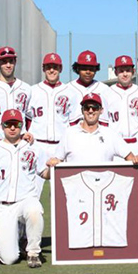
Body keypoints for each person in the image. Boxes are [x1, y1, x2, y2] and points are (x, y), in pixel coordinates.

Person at [0, 109, 50, 268]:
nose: (12, 128)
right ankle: (12, 245)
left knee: (35, 209)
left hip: (25, 200)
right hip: (2, 206)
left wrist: (56, 166)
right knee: (9, 258)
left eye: (16, 124)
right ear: (2, 126)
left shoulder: (32, 148)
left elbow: (45, 173)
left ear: (22, 126)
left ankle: (33, 252)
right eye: (8, 124)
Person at [27, 53, 80, 198]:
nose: (52, 70)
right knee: (31, 194)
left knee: (62, 196)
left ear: (60, 69)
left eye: (55, 67)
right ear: (43, 68)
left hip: (60, 147)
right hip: (37, 145)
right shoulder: (32, 91)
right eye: (48, 67)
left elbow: (75, 123)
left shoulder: (71, 92)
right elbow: (26, 118)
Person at [47, 94, 138, 166]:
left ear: (101, 110)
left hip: (103, 188)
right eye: (87, 107)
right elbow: (57, 160)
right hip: (75, 189)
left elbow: (130, 157)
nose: (90, 111)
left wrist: (137, 159)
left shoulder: (110, 134)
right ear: (82, 110)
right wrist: (53, 162)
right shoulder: (69, 133)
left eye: (94, 108)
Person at [108, 55, 138, 154]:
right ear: (115, 72)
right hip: (115, 145)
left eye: (128, 70)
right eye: (121, 71)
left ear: (133, 71)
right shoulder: (107, 93)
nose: (125, 74)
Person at [66, 50, 116, 126]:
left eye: (91, 68)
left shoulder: (104, 89)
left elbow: (106, 119)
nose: (88, 72)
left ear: (96, 70)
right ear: (78, 69)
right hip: (74, 133)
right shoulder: (67, 89)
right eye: (84, 68)